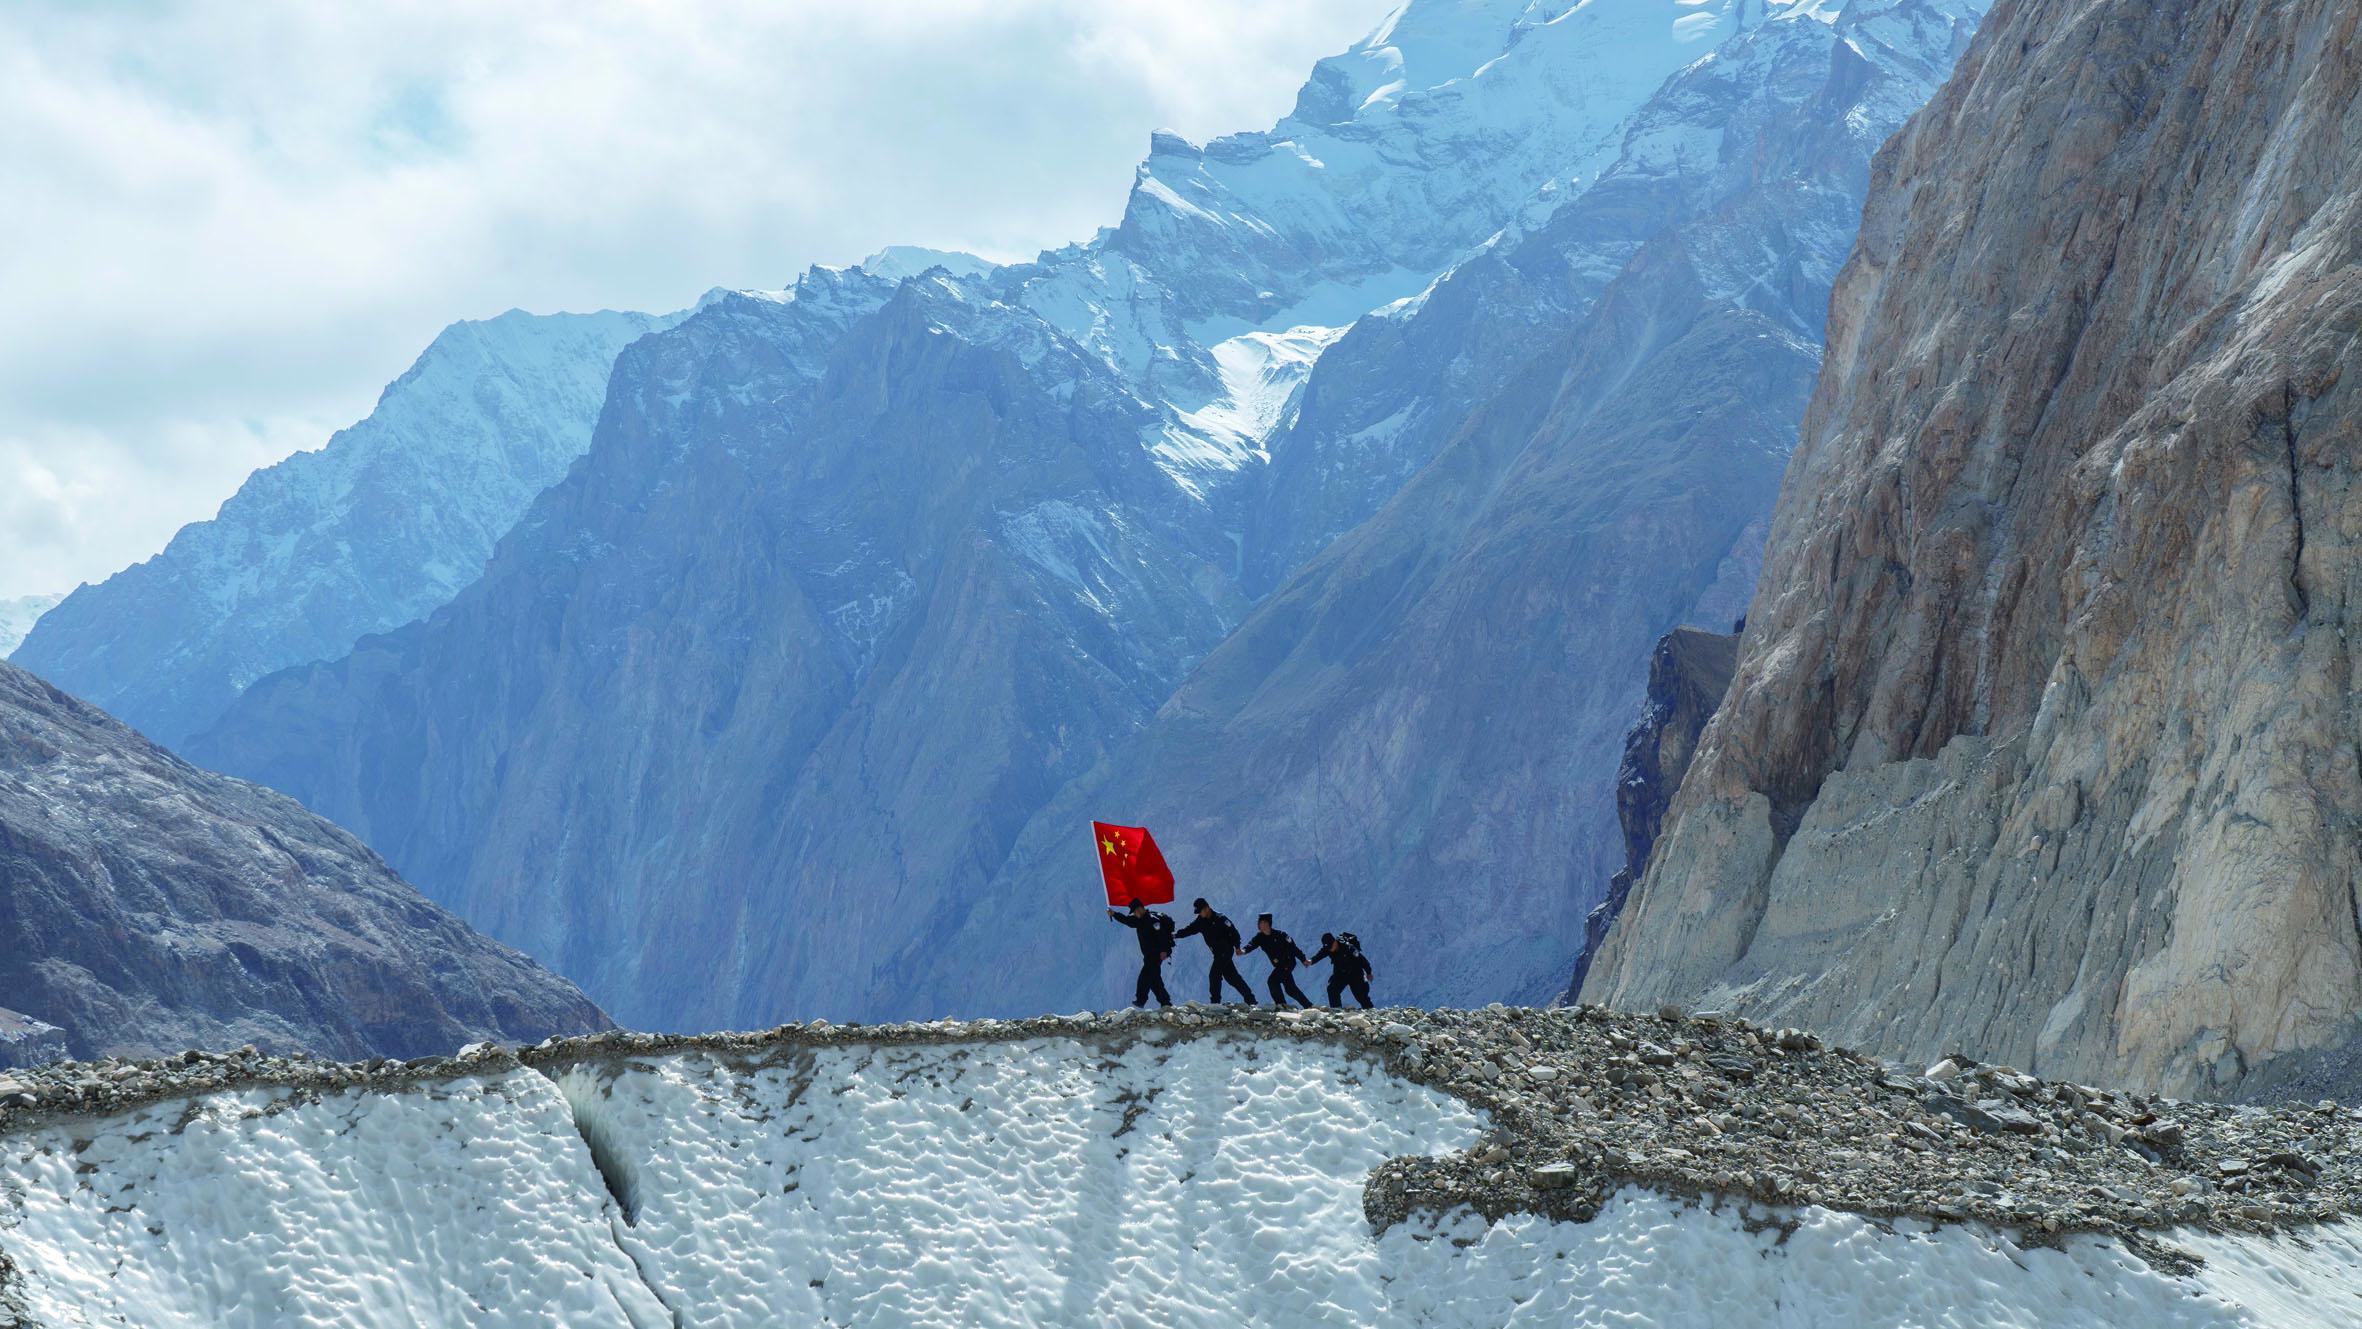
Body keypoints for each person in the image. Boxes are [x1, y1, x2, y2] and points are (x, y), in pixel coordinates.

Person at [1174, 897, 1256, 1004]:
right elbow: (1189, 930)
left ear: (1207, 908)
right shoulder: (1200, 921)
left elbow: (1234, 932)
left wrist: (1237, 947)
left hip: (1226, 950)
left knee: (1214, 974)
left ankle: (1215, 1003)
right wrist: (1175, 935)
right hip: (1217, 953)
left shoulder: (1220, 919)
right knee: (1232, 977)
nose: (1200, 914)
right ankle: (1251, 1000)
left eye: (1200, 911)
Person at [1107, 899, 1174, 1009]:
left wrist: (1164, 951)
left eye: (1135, 911)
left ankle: (1141, 1000)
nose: (1135, 914)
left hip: (1156, 955)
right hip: (1148, 956)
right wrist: (1114, 914)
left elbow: (1162, 937)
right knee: (1154, 980)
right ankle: (1165, 1002)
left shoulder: (1153, 921)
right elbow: (1126, 920)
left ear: (1140, 909)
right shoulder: (1139, 920)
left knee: (1144, 977)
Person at [1238, 913, 1313, 1008]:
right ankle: (1308, 1005)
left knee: (1272, 980)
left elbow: (1294, 948)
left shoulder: (1281, 935)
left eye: (1264, 922)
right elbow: (1251, 945)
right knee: (1290, 989)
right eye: (1260, 923)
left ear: (1269, 923)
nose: (1261, 925)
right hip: (1279, 965)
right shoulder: (1260, 937)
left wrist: (1303, 959)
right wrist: (1243, 951)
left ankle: (1281, 1004)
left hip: (1288, 962)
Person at [1307, 931, 1375, 1009]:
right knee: (1332, 989)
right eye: (1328, 948)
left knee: (1361, 996)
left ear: (1335, 941)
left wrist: (1369, 972)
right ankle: (1337, 1010)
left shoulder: (1348, 948)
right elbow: (1320, 954)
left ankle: (1370, 1011)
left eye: (1331, 946)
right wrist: (1311, 961)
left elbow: (1362, 960)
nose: (1330, 949)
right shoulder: (1328, 947)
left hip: (1355, 973)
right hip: (1341, 973)